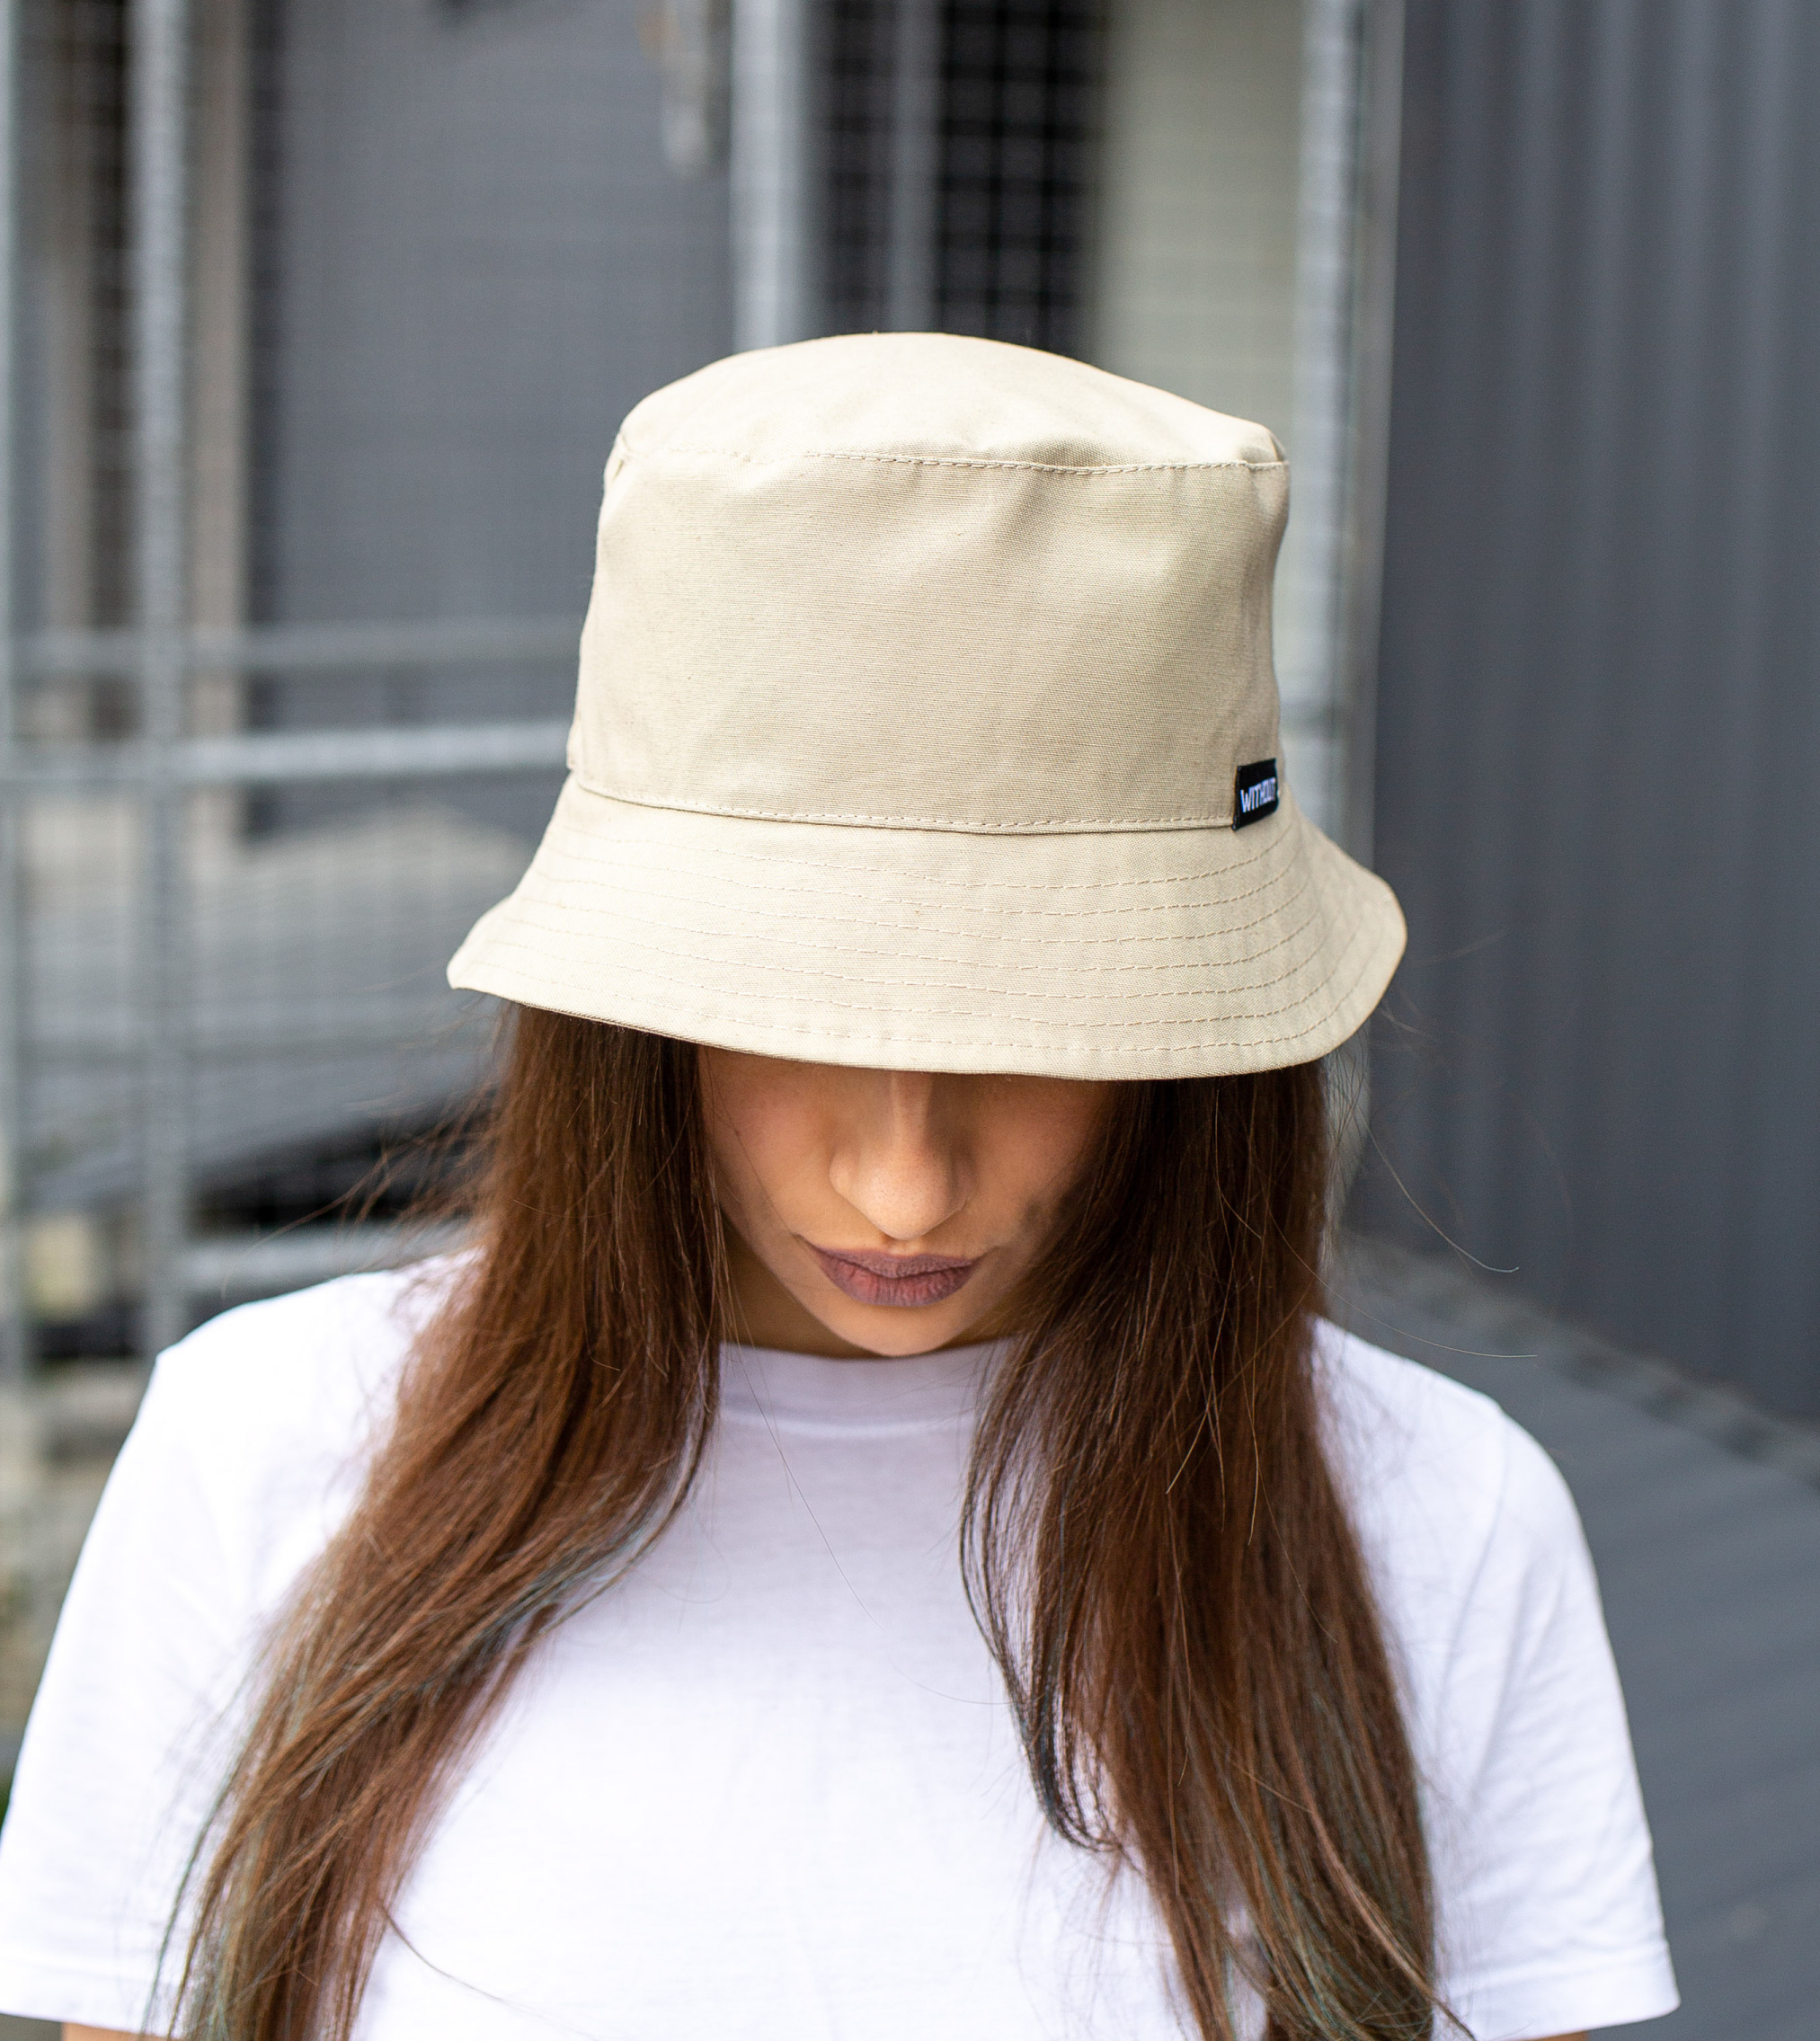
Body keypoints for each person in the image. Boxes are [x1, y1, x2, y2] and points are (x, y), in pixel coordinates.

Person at [0, 334, 1677, 2041]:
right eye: (790, 1021)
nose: (902, 1187)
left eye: (1041, 1028)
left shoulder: (1435, 1524)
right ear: (628, 1027)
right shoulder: (267, 1453)